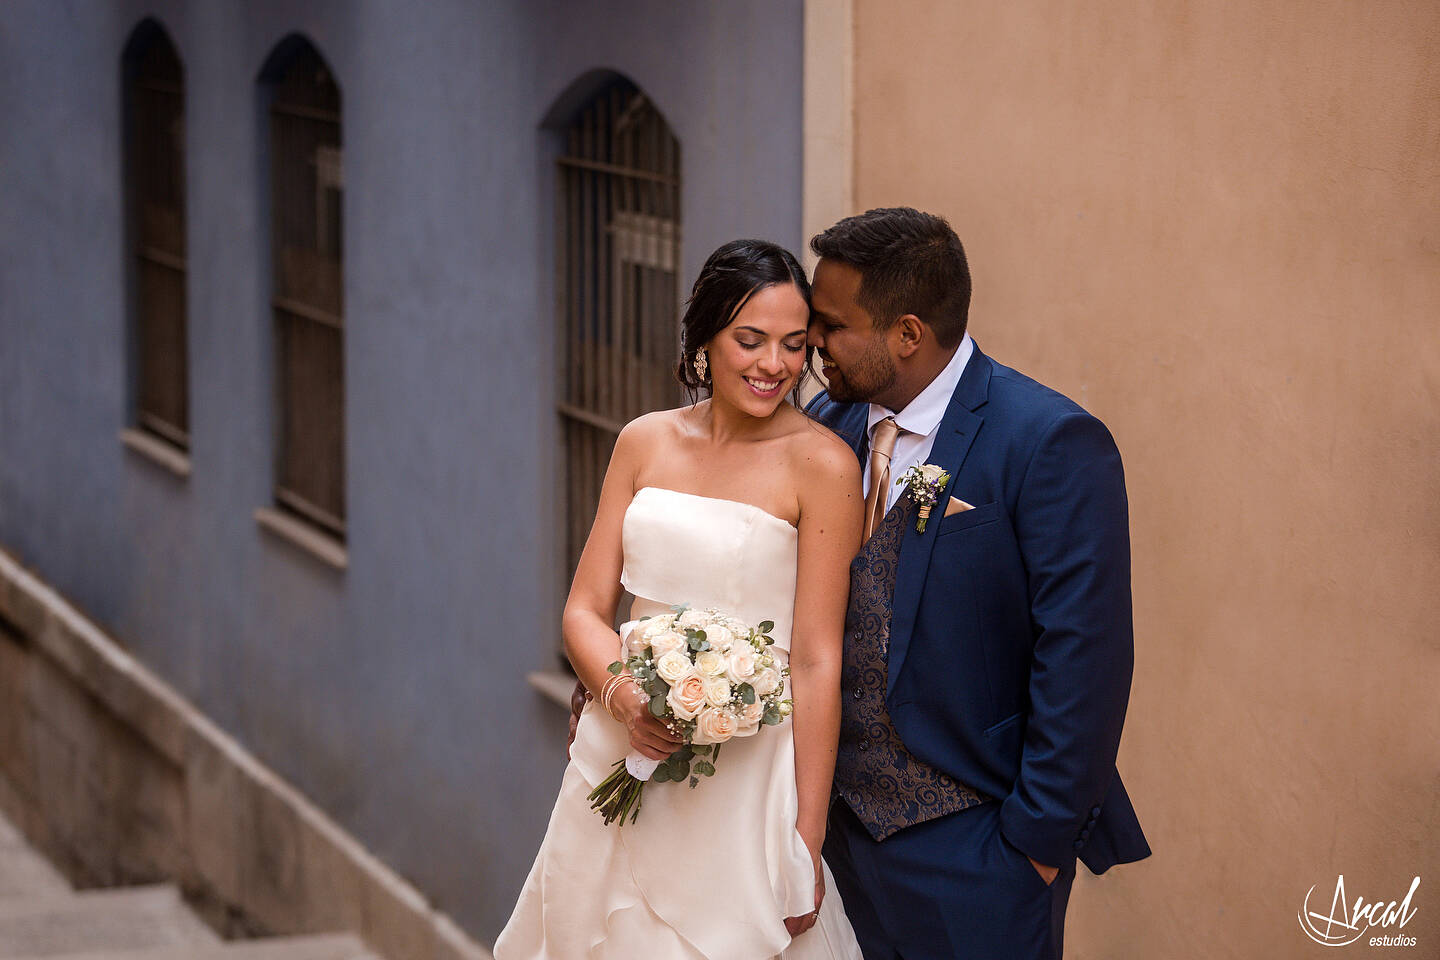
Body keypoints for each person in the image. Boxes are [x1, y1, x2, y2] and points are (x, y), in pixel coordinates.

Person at [496, 240, 865, 959]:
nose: (774, 365)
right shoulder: (643, 443)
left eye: (794, 345)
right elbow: (584, 609)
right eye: (749, 340)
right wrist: (626, 699)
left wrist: (806, 839)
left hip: (747, 782)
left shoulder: (824, 464)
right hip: (619, 750)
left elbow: (819, 657)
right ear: (704, 340)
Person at [804, 207, 1151, 960]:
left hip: (976, 856)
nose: (811, 343)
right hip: (832, 847)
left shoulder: (1050, 442)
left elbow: (1085, 660)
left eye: (831, 325)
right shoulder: (825, 422)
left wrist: (1032, 849)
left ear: (906, 334)